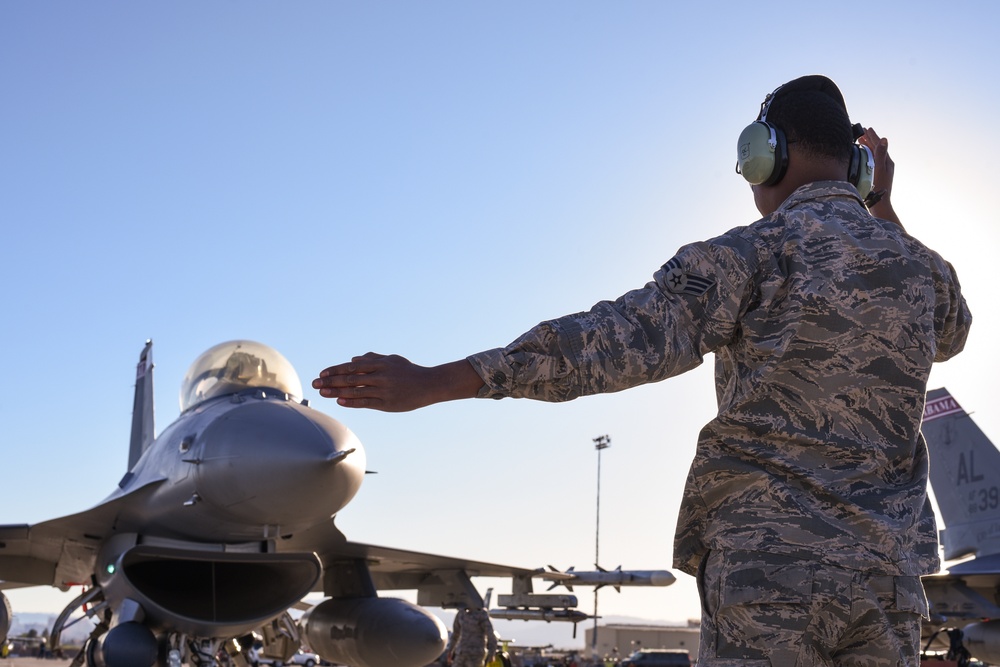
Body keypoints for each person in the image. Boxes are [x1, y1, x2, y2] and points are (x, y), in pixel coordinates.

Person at [313, 75, 972, 666]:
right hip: (885, 587)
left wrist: (443, 379)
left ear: (765, 154)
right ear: (854, 165)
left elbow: (615, 339)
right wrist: (877, 200)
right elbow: (953, 331)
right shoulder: (924, 271)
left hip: (771, 575)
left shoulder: (747, 255)